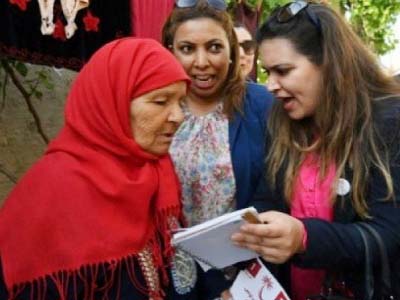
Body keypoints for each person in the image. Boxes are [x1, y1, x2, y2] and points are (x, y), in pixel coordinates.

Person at [0, 38, 196, 300]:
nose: (178, 116)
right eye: (161, 102)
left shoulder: (157, 172)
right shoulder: (54, 188)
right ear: (110, 104)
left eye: (180, 102)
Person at [231, 1, 400, 300]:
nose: (270, 85)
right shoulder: (281, 122)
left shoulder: (389, 122)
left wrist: (304, 238)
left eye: (283, 71)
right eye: (267, 71)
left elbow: (387, 235)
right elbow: (268, 202)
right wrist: (245, 283)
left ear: (330, 63)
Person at [161, 0, 274, 299]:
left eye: (214, 47)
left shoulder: (263, 105)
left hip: (243, 269)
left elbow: (279, 187)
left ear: (231, 52)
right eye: (187, 49)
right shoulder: (156, 106)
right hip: (170, 268)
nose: (201, 62)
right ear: (170, 51)